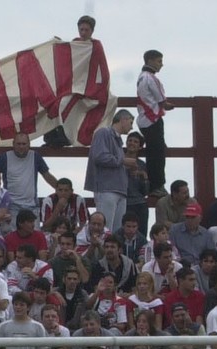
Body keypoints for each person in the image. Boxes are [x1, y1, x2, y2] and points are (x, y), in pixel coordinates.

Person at [85, 109, 134, 237]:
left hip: (119, 190)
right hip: (106, 188)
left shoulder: (117, 140)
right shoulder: (104, 133)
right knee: (104, 229)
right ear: (123, 119)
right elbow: (99, 156)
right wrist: (122, 161)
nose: (131, 127)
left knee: (116, 233)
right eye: (130, 122)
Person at [135, 50, 171, 197]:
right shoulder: (151, 78)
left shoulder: (141, 77)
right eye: (159, 61)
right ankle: (157, 185)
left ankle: (152, 184)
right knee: (158, 154)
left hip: (144, 119)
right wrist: (169, 106)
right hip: (153, 118)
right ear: (150, 61)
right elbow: (162, 101)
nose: (161, 64)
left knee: (152, 152)